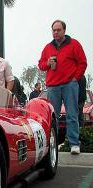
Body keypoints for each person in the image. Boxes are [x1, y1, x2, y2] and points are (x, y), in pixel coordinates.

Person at [38, 19, 87, 155]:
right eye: (54, 30)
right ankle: (53, 145)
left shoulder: (74, 44)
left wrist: (75, 78)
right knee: (54, 117)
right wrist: (47, 63)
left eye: (58, 30)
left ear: (64, 30)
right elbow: (41, 65)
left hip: (69, 85)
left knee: (72, 114)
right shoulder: (48, 47)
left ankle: (74, 144)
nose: (56, 32)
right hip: (53, 86)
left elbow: (82, 62)